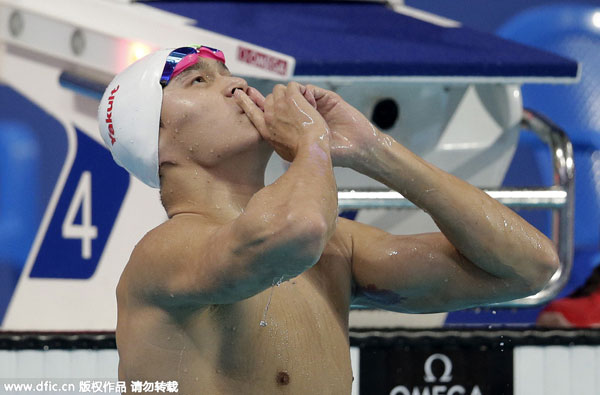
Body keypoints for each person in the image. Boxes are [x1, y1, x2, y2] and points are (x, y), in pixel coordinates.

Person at [98, 46, 559, 394]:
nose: (236, 84)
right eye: (198, 81)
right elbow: (297, 233)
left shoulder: (337, 250)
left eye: (229, 72)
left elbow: (529, 267)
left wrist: (375, 151)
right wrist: (311, 143)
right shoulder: (162, 255)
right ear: (154, 138)